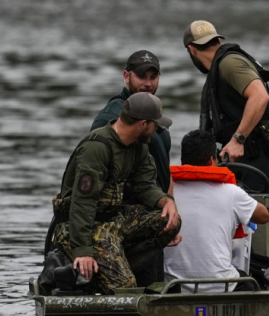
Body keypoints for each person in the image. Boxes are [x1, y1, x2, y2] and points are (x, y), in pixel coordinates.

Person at [42, 92, 181, 295]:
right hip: (81, 228)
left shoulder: (139, 147)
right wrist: (83, 251)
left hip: (113, 222)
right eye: (155, 124)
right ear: (143, 124)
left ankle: (109, 266)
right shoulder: (97, 148)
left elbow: (145, 186)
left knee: (170, 223)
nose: (157, 130)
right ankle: (68, 267)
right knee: (125, 288)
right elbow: (83, 203)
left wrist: (166, 202)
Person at [91, 50, 172, 285]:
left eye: (153, 77)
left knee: (155, 290)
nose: (148, 83)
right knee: (138, 293)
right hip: (127, 225)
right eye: (141, 77)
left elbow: (163, 169)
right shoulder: (111, 117)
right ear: (126, 76)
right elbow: (96, 173)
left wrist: (169, 211)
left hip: (152, 220)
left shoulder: (153, 113)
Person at [183, 20, 269, 201]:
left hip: (260, 159)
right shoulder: (220, 67)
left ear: (191, 49)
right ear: (217, 41)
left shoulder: (229, 63)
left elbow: (260, 96)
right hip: (245, 160)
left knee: (259, 224)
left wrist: (238, 139)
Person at [163, 130, 269, 293]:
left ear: (182, 160)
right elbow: (264, 216)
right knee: (254, 281)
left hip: (174, 288)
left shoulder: (165, 193)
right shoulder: (231, 192)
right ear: (211, 160)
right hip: (222, 286)